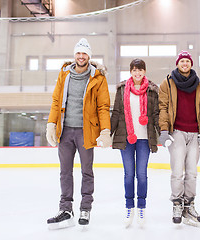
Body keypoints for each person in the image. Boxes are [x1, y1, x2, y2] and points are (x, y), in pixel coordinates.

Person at [45, 38, 112, 229]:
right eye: (78, 53)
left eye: (84, 53)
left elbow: (103, 106)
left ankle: (85, 208)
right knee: (65, 172)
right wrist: (51, 123)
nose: (81, 56)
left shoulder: (98, 77)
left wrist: (105, 130)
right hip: (65, 131)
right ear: (75, 55)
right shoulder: (64, 74)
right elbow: (56, 101)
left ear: (89, 56)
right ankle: (65, 209)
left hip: (86, 131)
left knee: (86, 171)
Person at [159, 50, 200, 227]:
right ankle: (176, 203)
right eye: (182, 61)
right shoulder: (167, 83)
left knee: (192, 172)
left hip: (195, 133)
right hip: (177, 133)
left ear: (191, 64)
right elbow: (163, 107)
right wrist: (164, 131)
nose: (185, 64)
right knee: (177, 171)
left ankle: (189, 205)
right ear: (177, 64)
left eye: (187, 61)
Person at [111, 59, 160, 227]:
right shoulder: (122, 89)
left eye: (140, 70)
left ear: (144, 71)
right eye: (134, 70)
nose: (137, 73)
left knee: (142, 174)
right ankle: (129, 206)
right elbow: (116, 113)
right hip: (126, 137)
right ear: (130, 72)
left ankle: (142, 207)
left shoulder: (152, 91)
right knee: (128, 174)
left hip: (144, 138)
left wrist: (164, 133)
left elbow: (156, 114)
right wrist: (107, 133)